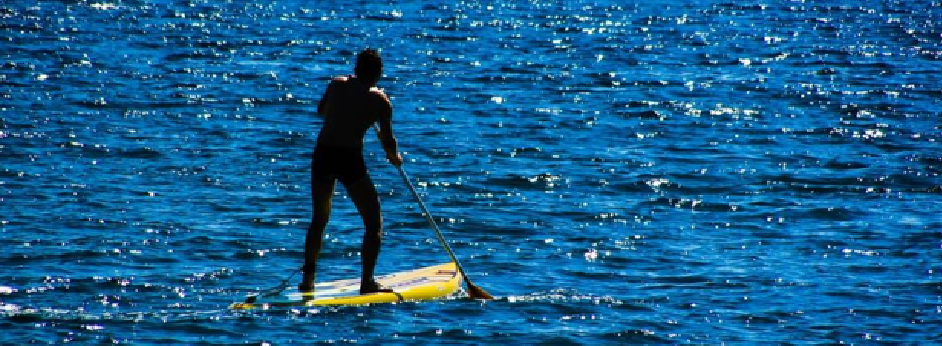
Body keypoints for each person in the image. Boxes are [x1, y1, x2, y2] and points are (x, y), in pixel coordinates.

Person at [301, 48, 403, 294]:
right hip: (348, 158)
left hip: (323, 154)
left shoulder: (336, 85)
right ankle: (367, 282)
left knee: (319, 219)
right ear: (377, 73)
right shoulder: (380, 101)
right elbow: (389, 143)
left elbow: (322, 112)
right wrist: (395, 158)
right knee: (373, 221)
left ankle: (308, 280)